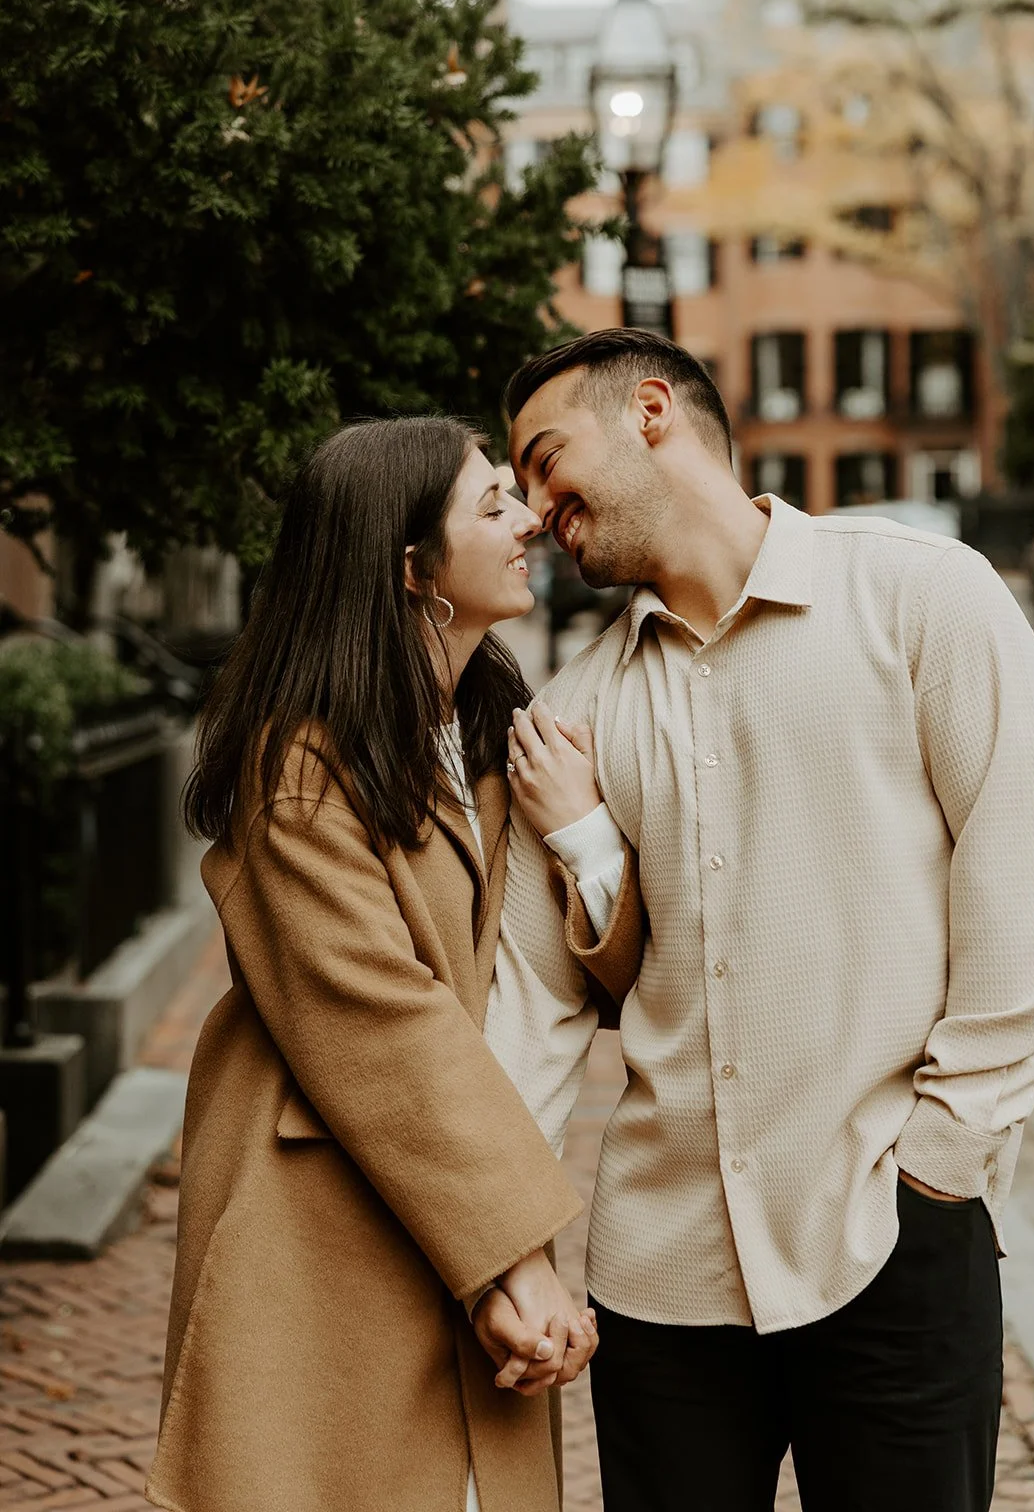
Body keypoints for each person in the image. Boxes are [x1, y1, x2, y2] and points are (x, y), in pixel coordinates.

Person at [492, 327, 1034, 1512]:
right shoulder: (571, 715)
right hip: (660, 1283)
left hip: (890, 1240)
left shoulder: (924, 598)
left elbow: (1017, 904)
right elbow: (534, 1017)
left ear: (650, 410)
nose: (538, 504)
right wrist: (502, 1244)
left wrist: (940, 1176)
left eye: (547, 460)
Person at [146, 416, 643, 1512]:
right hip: (326, 1227)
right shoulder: (300, 769)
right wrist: (519, 1254)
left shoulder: (500, 739)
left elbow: (591, 977)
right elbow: (385, 1024)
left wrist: (584, 839)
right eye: (492, 506)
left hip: (462, 1200)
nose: (529, 523)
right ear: (414, 570)